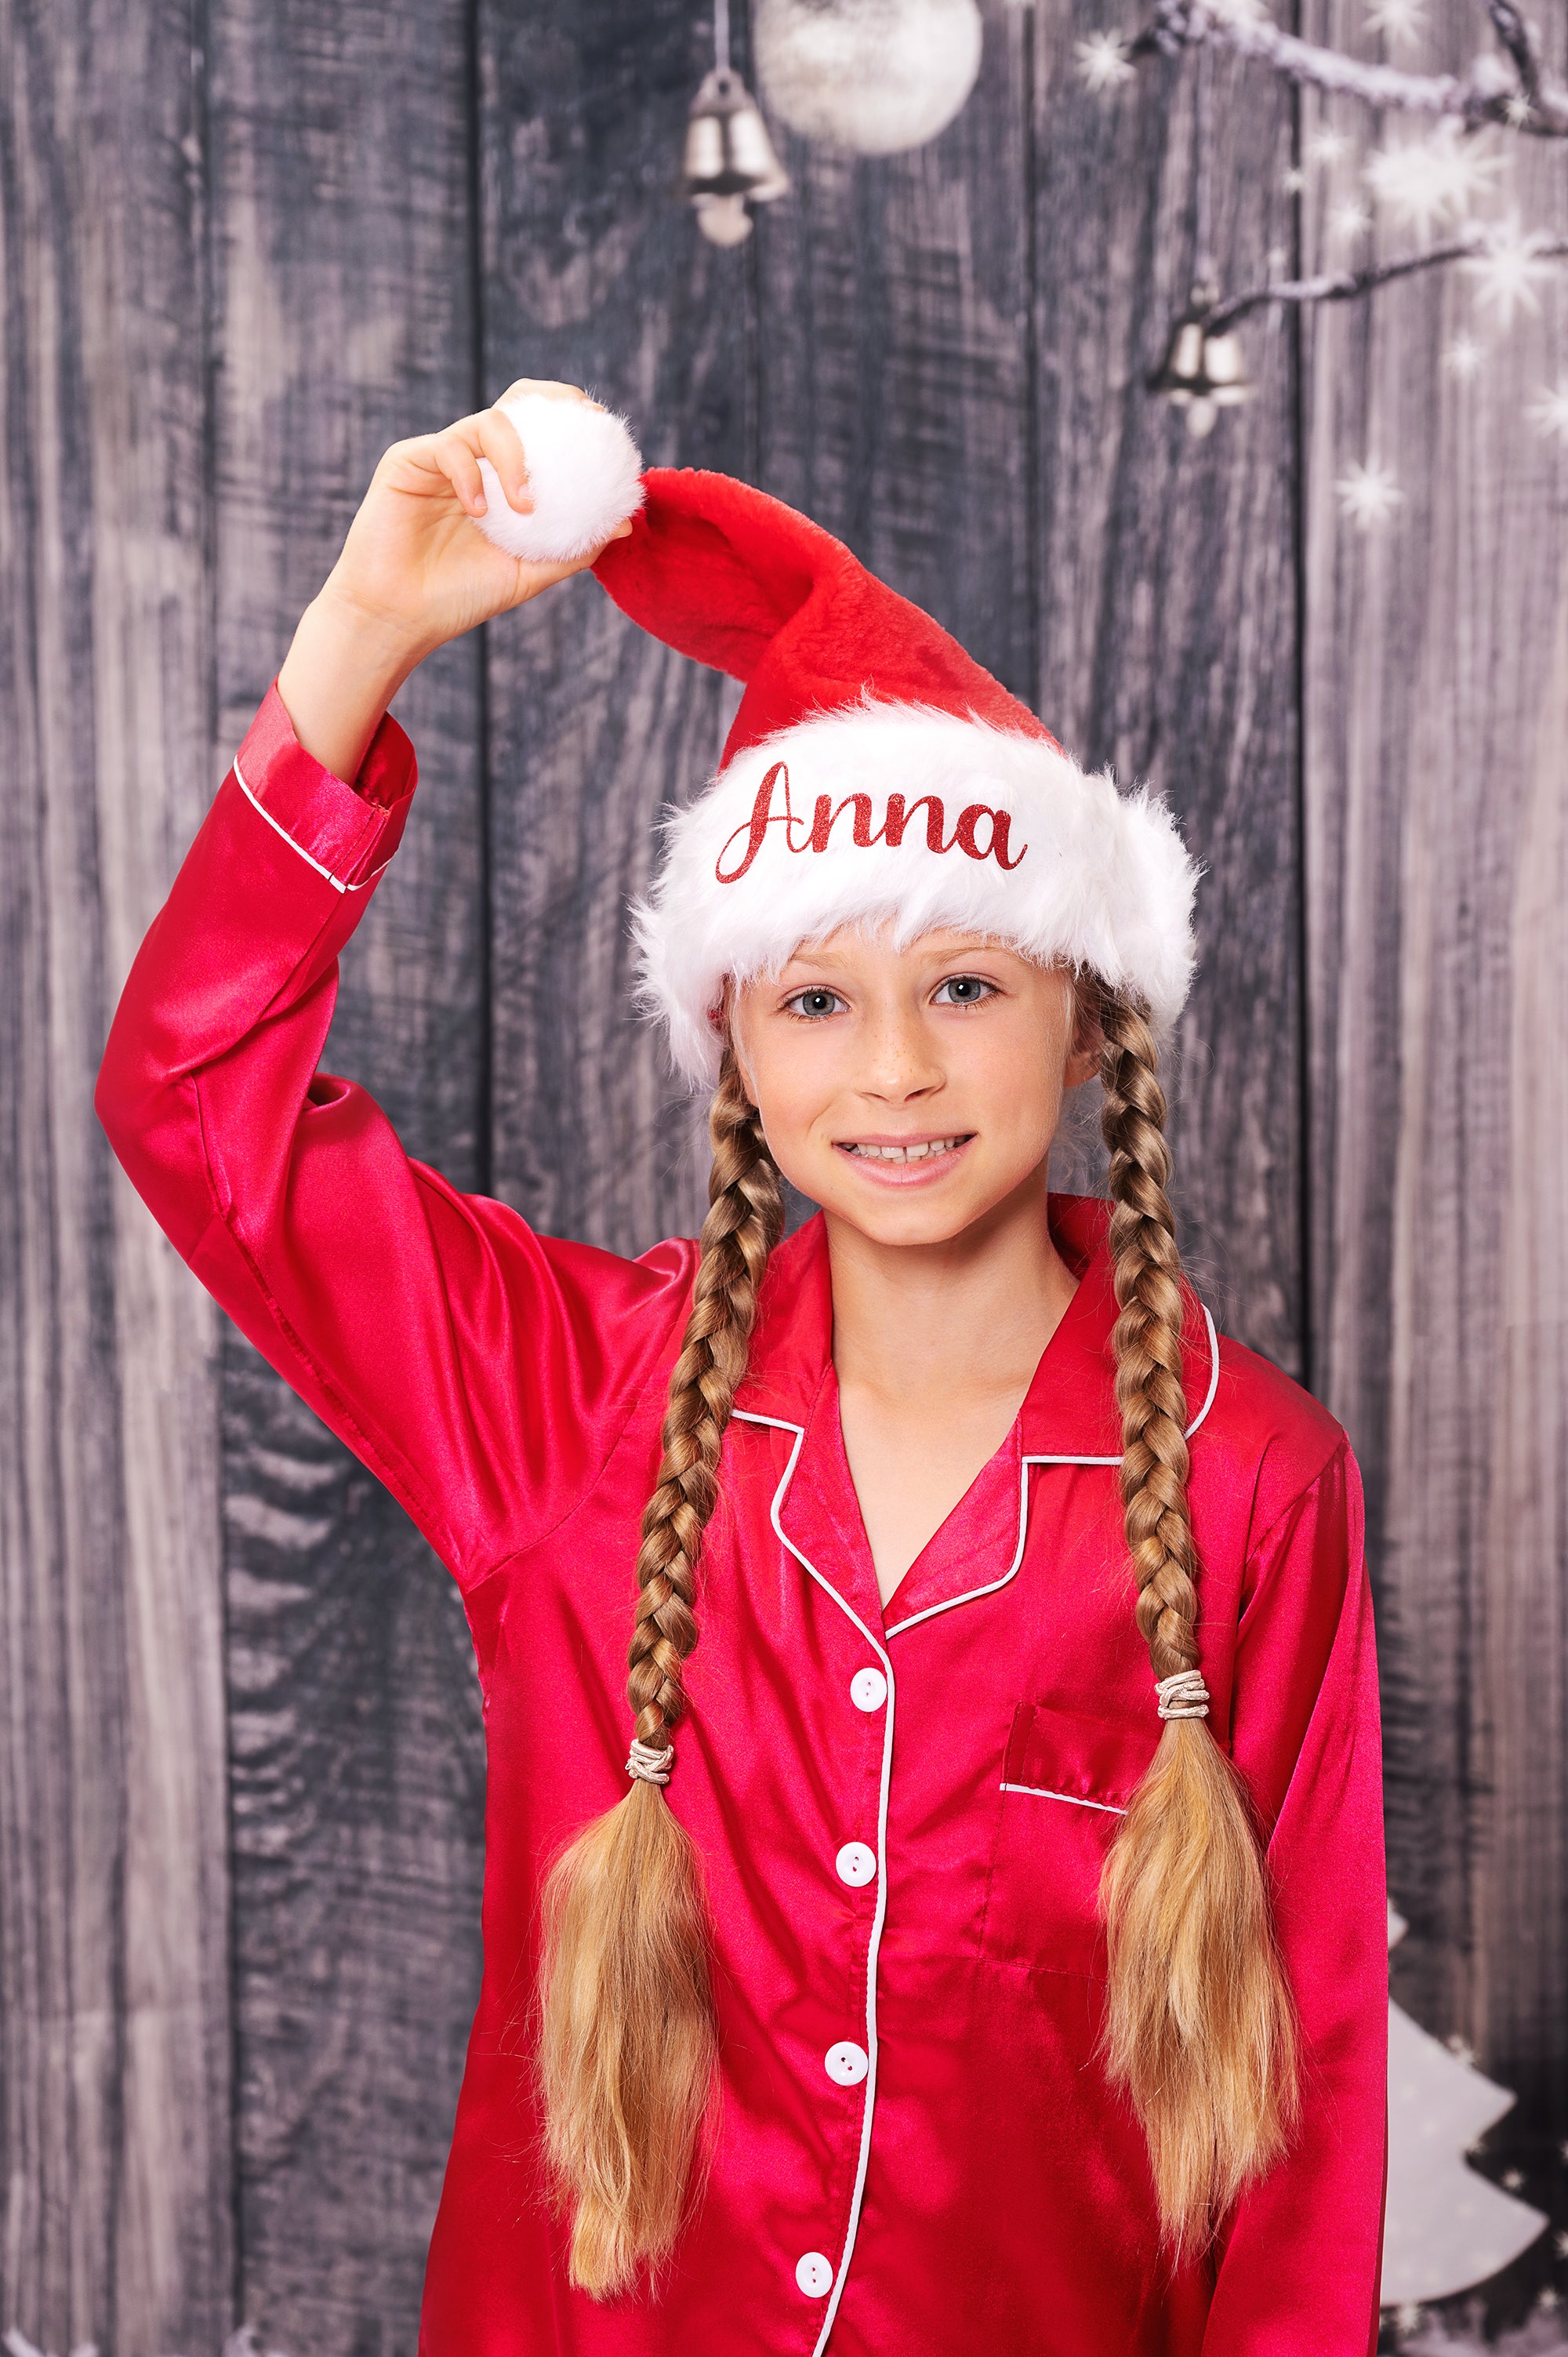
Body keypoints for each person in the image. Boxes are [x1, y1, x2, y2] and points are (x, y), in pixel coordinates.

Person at [96, 380, 1389, 2355]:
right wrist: (358, 635)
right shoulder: (572, 1403)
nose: (892, 1070)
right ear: (735, 1044)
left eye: (965, 982)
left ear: (1082, 1018)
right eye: (815, 999)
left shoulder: (1254, 1484)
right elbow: (197, 1106)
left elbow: (1289, 2144)